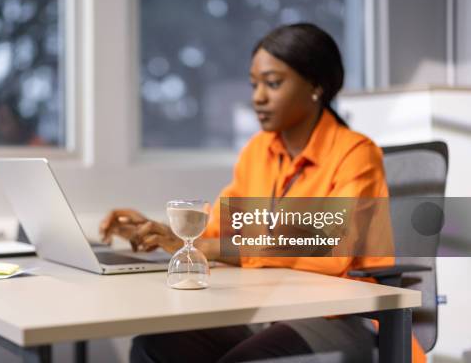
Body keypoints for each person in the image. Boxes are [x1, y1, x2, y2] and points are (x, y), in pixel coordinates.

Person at [99, 23, 425, 363]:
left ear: (316, 85)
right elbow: (219, 231)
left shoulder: (355, 153)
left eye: (273, 83)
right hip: (271, 307)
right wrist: (161, 232)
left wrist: (212, 247)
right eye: (255, 84)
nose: (258, 96)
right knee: (154, 347)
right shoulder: (258, 151)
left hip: (341, 315)